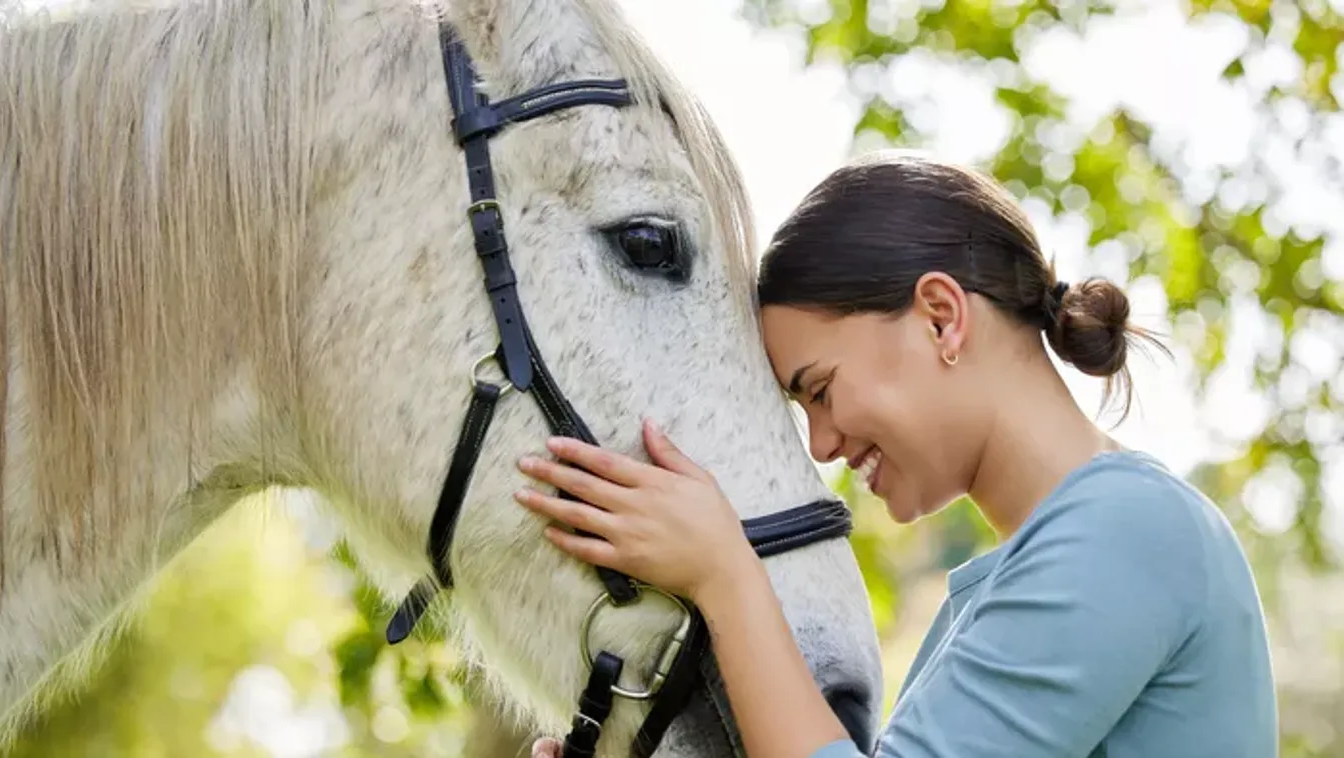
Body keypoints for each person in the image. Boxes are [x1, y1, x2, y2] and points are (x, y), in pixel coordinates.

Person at [513, 151, 1278, 758]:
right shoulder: (1011, 585)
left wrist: (724, 573)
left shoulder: (1123, 532)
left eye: (819, 389)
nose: (821, 444)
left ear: (940, 318)